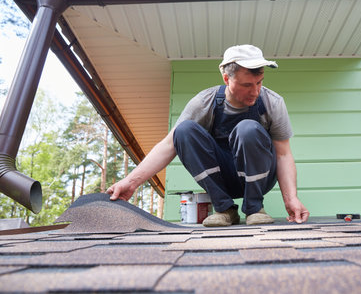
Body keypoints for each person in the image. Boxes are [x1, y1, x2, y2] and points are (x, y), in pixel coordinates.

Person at [106, 44, 310, 227]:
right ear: (226, 78)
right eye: (247, 85)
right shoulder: (204, 102)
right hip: (222, 179)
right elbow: (168, 145)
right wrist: (130, 182)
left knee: (247, 128)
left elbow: (283, 154)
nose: (255, 91)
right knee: (183, 130)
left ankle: (254, 207)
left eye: (259, 82)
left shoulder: (272, 102)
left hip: (258, 178)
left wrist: (291, 198)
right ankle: (224, 209)